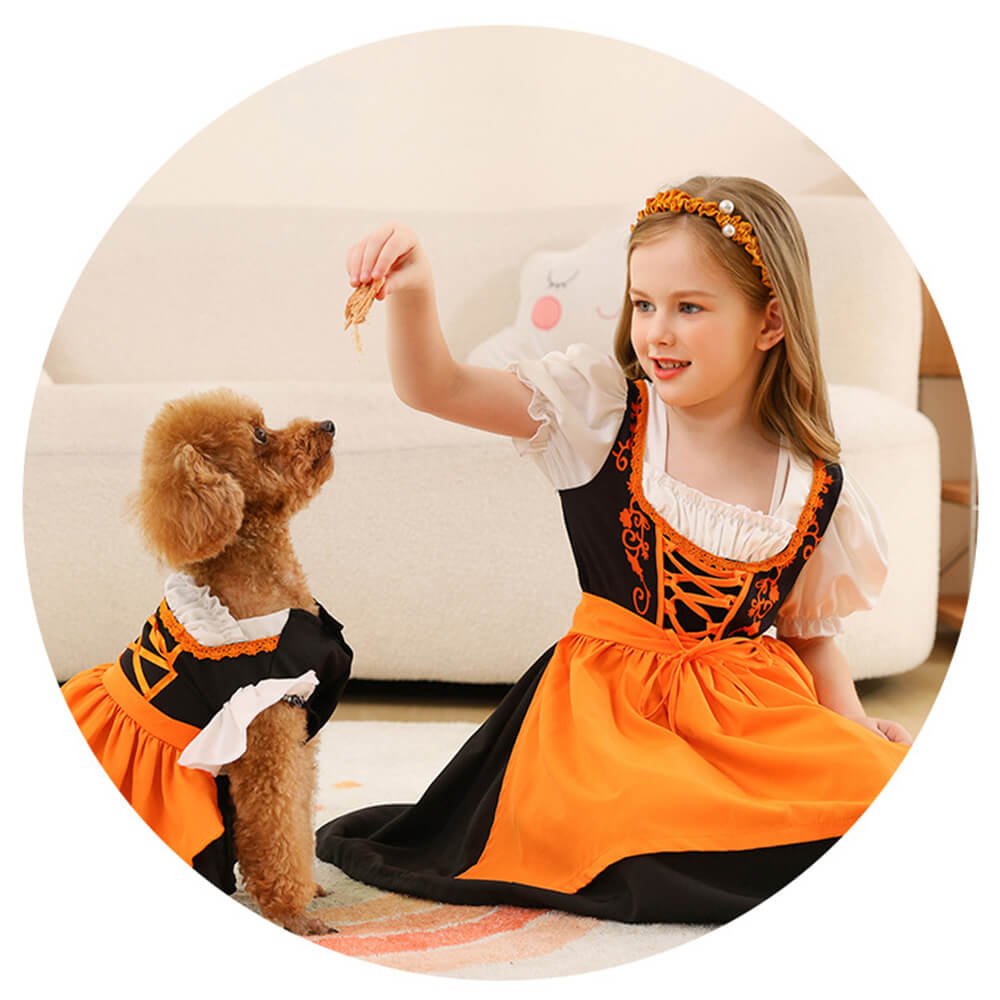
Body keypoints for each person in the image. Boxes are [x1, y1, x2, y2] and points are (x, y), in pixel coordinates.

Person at [315, 176, 913, 924]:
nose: (657, 331)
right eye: (644, 304)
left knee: (877, 797)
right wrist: (414, 289)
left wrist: (852, 725)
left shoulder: (814, 486)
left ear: (769, 323)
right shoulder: (599, 413)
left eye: (689, 308)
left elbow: (812, 638)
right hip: (607, 717)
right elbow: (438, 386)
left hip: (744, 717)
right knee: (639, 824)